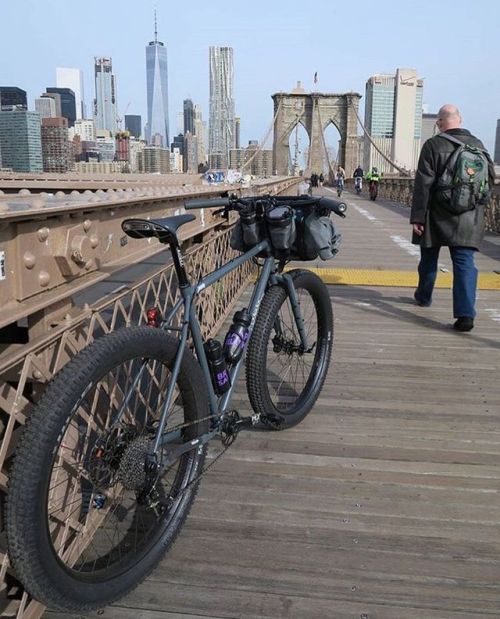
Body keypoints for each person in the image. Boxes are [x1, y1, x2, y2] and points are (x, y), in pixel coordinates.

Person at [410, 103, 495, 332]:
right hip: (469, 217)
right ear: (460, 119)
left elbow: (423, 184)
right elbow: (488, 183)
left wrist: (418, 217)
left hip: (436, 213)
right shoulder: (478, 146)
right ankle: (466, 315)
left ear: (439, 123)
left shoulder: (433, 145)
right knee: (465, 264)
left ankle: (424, 296)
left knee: (429, 257)